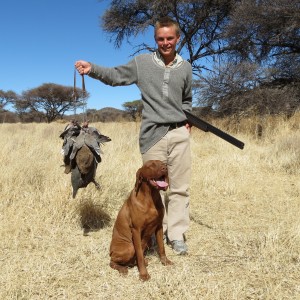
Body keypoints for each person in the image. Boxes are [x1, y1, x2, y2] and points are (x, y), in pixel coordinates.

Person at [75, 16, 192, 255]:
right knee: (152, 188)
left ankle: (176, 234)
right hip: (153, 135)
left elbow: (187, 99)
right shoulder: (142, 63)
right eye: (161, 39)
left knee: (179, 187)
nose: (166, 43)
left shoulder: (186, 67)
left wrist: (187, 119)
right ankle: (153, 230)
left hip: (179, 133)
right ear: (155, 40)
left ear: (178, 39)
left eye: (170, 38)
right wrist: (92, 69)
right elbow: (116, 76)